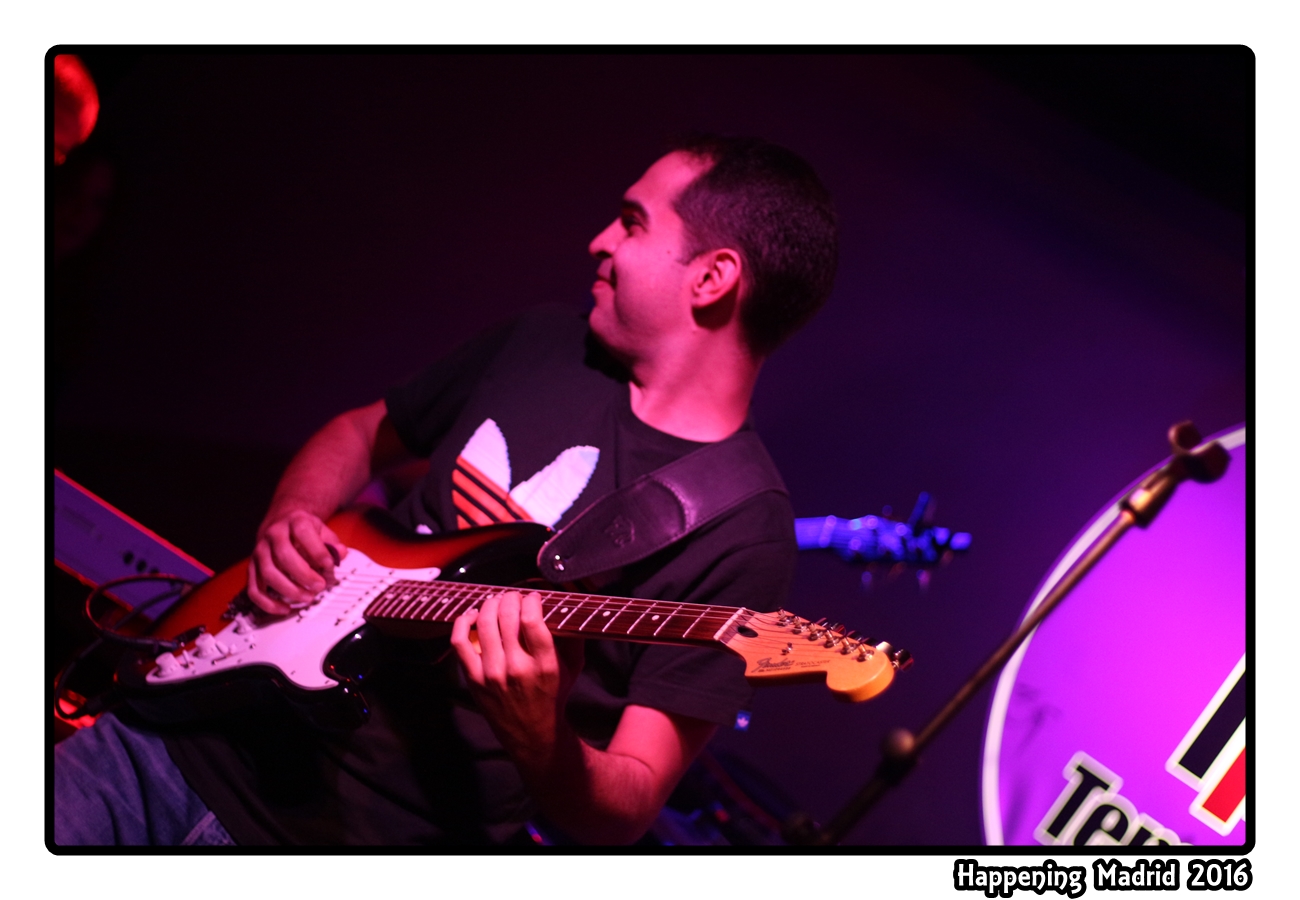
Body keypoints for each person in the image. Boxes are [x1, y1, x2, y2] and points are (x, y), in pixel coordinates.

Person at [52, 134, 839, 846]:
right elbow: (360, 432)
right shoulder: (544, 340)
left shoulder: (742, 524)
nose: (599, 240)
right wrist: (293, 517)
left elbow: (627, 805)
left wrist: (542, 736)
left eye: (633, 223)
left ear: (712, 277)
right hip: (171, 737)